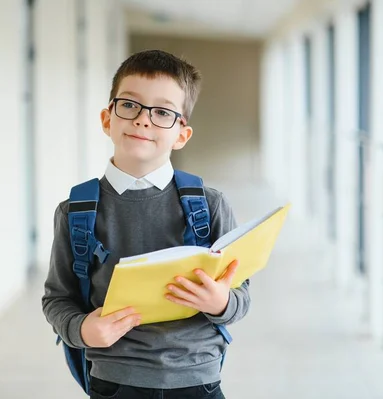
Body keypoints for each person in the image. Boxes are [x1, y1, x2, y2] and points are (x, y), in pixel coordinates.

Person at [42, 49, 251, 399]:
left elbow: (241, 296)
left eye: (163, 112)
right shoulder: (76, 211)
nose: (143, 120)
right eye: (130, 105)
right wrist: (82, 330)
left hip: (197, 379)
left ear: (182, 134)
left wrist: (219, 302)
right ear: (107, 119)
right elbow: (58, 298)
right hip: (114, 381)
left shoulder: (209, 204)